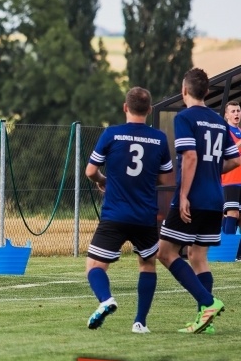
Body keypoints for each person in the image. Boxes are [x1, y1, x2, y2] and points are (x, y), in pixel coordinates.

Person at [84, 87, 173, 332]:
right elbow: (166, 180)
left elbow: (90, 171)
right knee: (147, 264)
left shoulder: (112, 134)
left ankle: (106, 300)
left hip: (115, 214)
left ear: (125, 107)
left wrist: (103, 180)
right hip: (145, 215)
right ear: (150, 110)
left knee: (94, 266)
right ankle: (140, 322)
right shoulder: (159, 138)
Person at [157, 68, 240, 333]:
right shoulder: (218, 121)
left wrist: (182, 195)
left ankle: (208, 302)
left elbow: (190, 157)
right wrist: (213, 170)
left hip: (193, 198)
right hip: (216, 198)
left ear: (184, 91)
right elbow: (235, 159)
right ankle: (206, 322)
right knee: (197, 256)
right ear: (206, 92)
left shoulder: (185, 117)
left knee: (165, 252)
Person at [219, 101, 241, 249]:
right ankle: (227, 252)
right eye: (232, 111)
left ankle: (238, 253)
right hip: (230, 180)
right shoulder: (224, 132)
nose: (236, 114)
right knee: (232, 213)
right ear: (226, 115)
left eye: (238, 111)